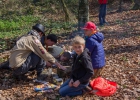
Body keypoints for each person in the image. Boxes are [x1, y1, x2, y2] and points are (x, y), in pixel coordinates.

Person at [0, 23, 65, 80]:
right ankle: (40, 76)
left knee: (37, 55)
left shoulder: (25, 37)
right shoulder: (34, 40)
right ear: (40, 33)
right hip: (18, 67)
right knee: (40, 55)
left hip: (13, 66)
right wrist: (58, 64)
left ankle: (19, 74)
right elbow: (43, 53)